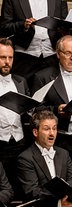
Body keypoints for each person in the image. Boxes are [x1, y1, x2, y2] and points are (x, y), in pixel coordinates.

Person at [0, 0, 68, 84]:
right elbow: (3, 28)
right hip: (24, 58)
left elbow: (65, 26)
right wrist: (23, 25)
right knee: (25, 98)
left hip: (51, 57)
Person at [17, 110, 72, 207]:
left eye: (54, 128)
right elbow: (32, 191)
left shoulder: (63, 153)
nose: (52, 133)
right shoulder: (25, 158)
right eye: (47, 129)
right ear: (36, 132)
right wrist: (59, 202)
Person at [0, 38, 32, 196]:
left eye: (10, 58)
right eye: (2, 57)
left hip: (20, 143)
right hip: (0, 144)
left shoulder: (21, 81)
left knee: (20, 189)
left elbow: (27, 110)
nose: (7, 62)